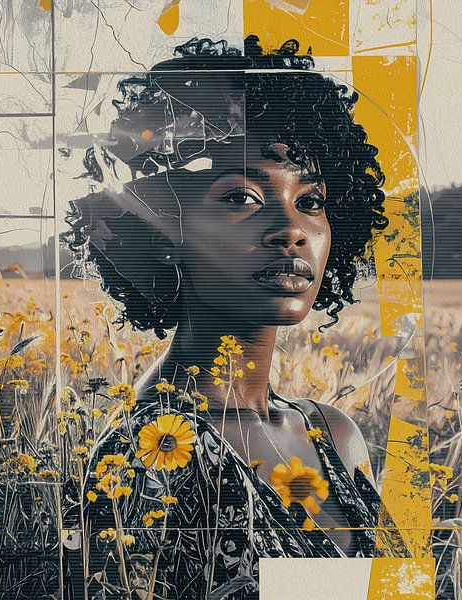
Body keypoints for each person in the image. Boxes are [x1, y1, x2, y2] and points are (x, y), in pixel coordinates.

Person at [60, 35, 408, 600]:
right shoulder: (148, 455)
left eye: (311, 201)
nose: (291, 227)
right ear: (164, 229)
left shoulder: (334, 436)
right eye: (242, 197)